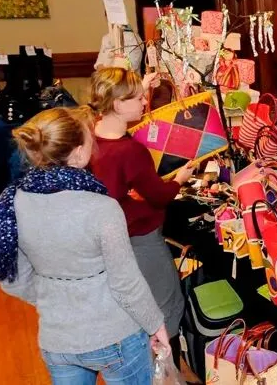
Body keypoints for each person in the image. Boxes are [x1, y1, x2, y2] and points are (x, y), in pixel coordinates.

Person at [0, 107, 168, 384]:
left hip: (58, 339)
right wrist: (155, 324)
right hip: (116, 335)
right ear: (77, 154)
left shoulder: (11, 203)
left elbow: (11, 278)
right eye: (91, 139)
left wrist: (54, 295)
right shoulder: (102, 207)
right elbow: (126, 284)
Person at [89, 67, 194, 365]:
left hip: (110, 239)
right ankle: (162, 371)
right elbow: (159, 195)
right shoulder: (130, 150)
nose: (145, 102)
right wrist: (180, 180)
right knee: (166, 304)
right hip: (140, 239)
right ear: (118, 104)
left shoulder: (91, 135)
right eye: (138, 98)